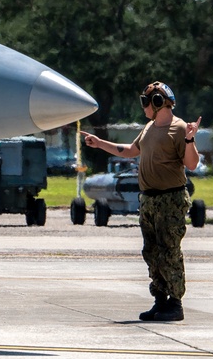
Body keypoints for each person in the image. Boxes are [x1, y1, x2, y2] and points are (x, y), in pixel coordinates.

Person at [80, 81, 201, 322]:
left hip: (170, 199)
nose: (144, 107)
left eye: (146, 102)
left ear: (158, 103)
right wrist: (100, 143)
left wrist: (190, 140)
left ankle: (175, 304)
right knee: (152, 251)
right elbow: (130, 150)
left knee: (169, 251)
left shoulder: (178, 129)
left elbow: (192, 164)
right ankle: (160, 300)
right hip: (149, 200)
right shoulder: (149, 128)